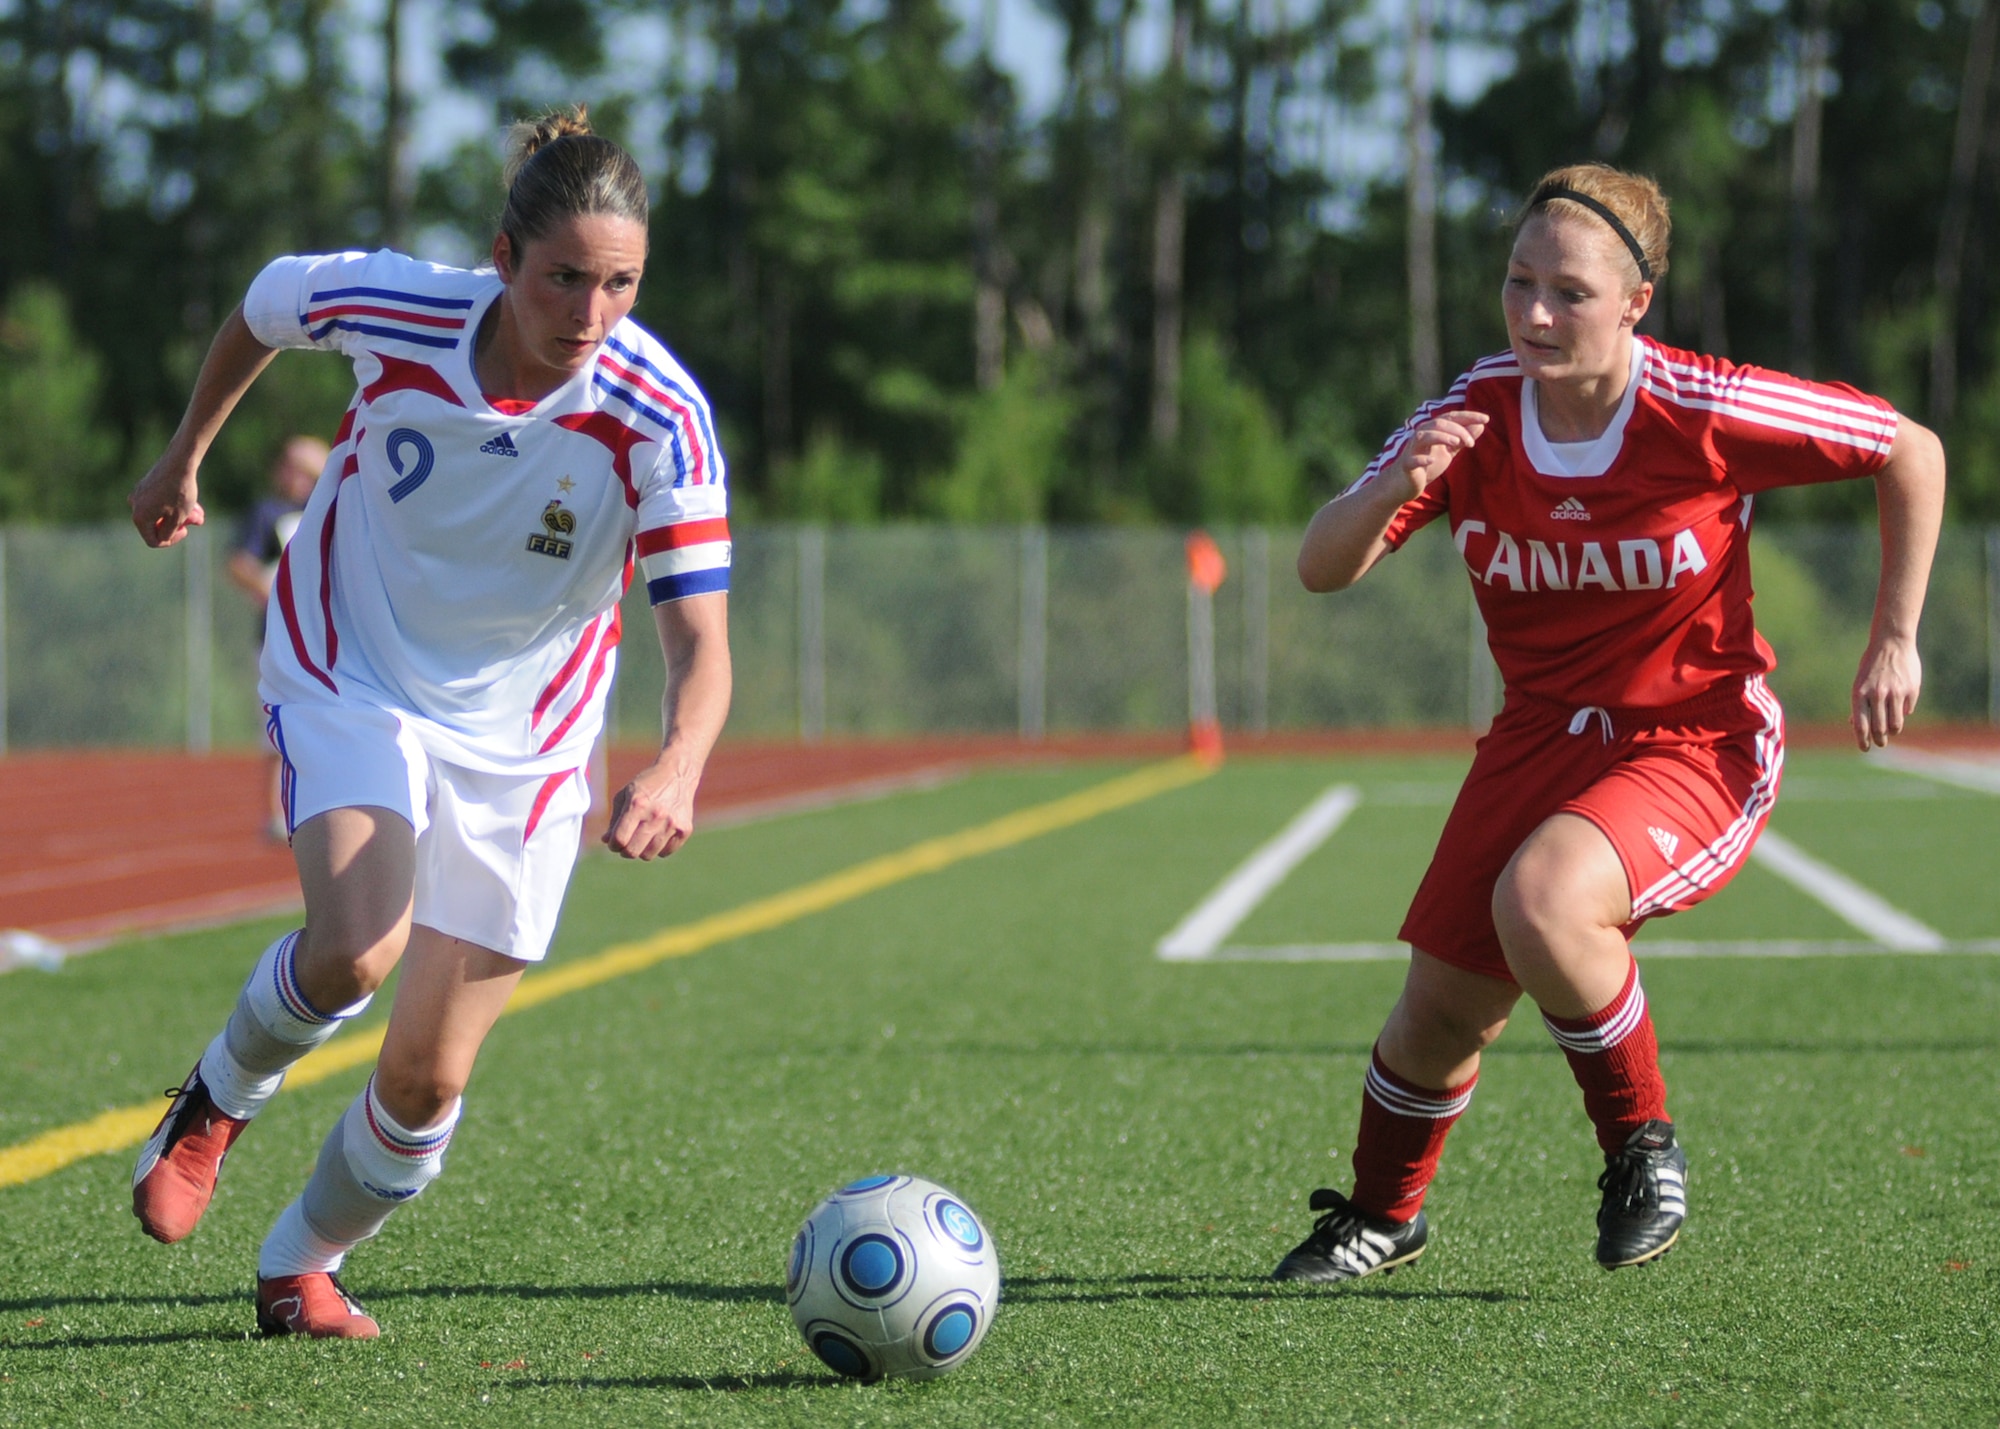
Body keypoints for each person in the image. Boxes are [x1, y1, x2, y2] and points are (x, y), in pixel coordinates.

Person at [1275, 162, 1945, 1283]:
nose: (1534, 312)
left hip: (1691, 738)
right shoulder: (1474, 409)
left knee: (1542, 900)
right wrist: (1392, 490)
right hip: (1534, 736)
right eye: (1516, 280)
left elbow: (1906, 448)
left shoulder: (1702, 406)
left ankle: (1642, 1147)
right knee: (1436, 1012)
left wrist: (1893, 635)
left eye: (1569, 292)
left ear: (1635, 303)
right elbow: (1317, 567)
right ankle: (1384, 1217)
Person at [125, 107, 733, 1338]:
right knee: (357, 944)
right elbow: (262, 302)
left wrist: (678, 762)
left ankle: (301, 1265)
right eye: (564, 277)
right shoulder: (398, 308)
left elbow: (700, 643)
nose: (591, 313)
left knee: (425, 1078)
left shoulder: (658, 413)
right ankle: (216, 1101)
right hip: (353, 662)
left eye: (620, 284)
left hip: (531, 738)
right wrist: (185, 454)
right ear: (502, 260)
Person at [228, 436, 329, 840]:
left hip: (328, 634)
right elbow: (238, 563)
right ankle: (275, 815)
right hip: (278, 635)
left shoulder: (331, 505)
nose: (297, 476)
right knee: (275, 722)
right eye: (291, 465)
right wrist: (265, 585)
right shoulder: (267, 512)